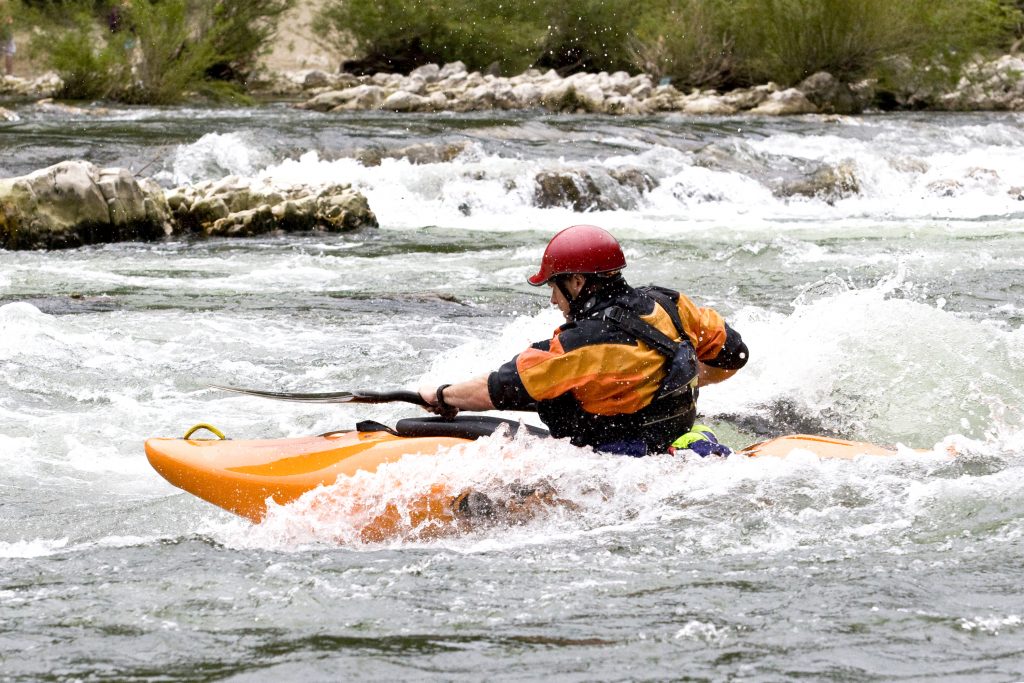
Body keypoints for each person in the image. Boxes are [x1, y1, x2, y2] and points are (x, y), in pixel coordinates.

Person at [418, 224, 749, 456]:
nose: (552, 300)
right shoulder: (671, 304)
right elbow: (734, 354)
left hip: (615, 461)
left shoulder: (579, 345)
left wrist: (442, 395)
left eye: (553, 287)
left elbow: (497, 388)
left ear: (576, 283)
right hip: (678, 439)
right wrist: (670, 381)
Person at [1, 6, 14, 77]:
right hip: (5, 32)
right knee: (9, 51)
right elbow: (10, 21)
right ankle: (9, 74)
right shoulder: (4, 5)